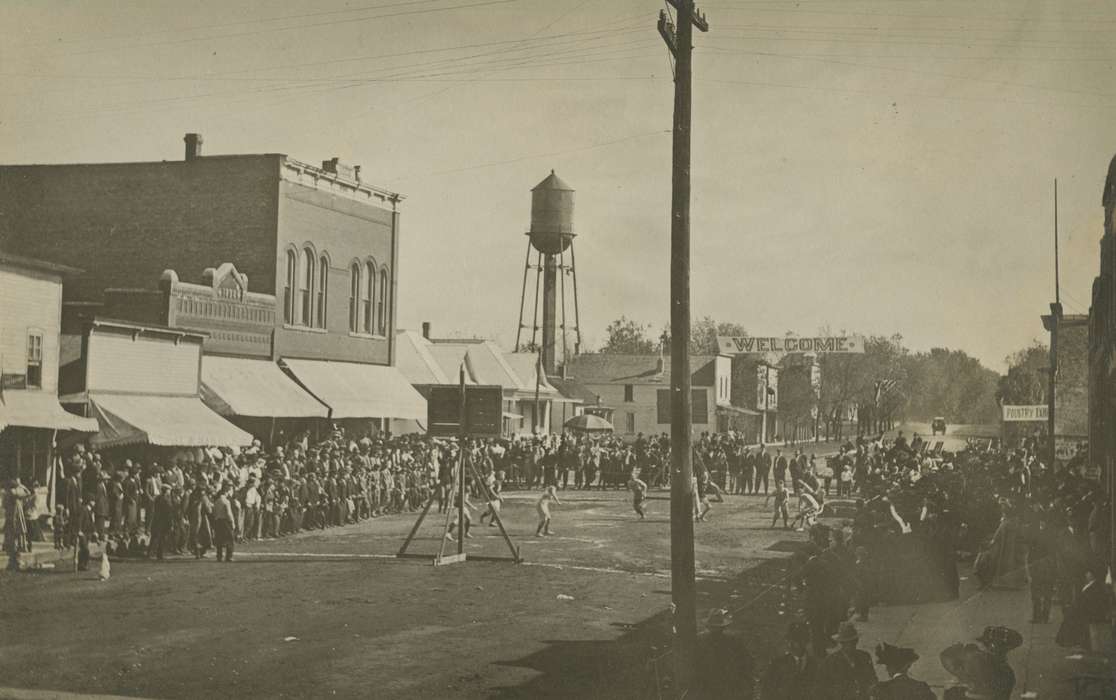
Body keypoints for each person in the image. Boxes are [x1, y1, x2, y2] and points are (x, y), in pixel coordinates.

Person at [694, 609, 755, 699]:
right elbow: (747, 662)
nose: (715, 631)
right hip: (715, 685)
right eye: (714, 628)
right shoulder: (733, 640)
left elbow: (746, 662)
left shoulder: (701, 640)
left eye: (717, 628)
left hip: (722, 685)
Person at [817, 621, 877, 700]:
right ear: (841, 643)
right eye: (846, 643)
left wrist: (872, 688)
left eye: (853, 642)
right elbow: (822, 689)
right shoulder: (830, 662)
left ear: (856, 641)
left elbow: (873, 679)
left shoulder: (864, 657)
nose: (850, 646)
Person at [759, 621, 818, 700]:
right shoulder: (777, 665)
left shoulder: (816, 666)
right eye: (790, 640)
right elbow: (766, 693)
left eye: (797, 640)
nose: (791, 644)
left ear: (805, 641)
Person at [868, 643, 934, 700]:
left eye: (887, 666)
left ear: (890, 668)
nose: (886, 670)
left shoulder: (881, 688)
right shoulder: (921, 686)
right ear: (906, 667)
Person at [211, 485, 235, 562]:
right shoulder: (226, 501)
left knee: (219, 539)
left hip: (218, 521)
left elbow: (213, 512)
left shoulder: (216, 501)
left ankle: (219, 556)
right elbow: (229, 513)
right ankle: (229, 556)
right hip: (225, 521)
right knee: (230, 539)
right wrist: (232, 522)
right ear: (225, 492)